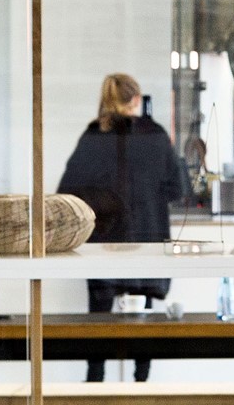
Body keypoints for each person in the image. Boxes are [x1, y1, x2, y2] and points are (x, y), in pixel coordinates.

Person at [58, 72, 188, 382]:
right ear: (135, 100)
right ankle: (141, 383)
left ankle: (94, 382)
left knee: (99, 320)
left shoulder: (93, 135)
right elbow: (177, 190)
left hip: (103, 241)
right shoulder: (154, 135)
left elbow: (68, 189)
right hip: (147, 240)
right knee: (141, 318)